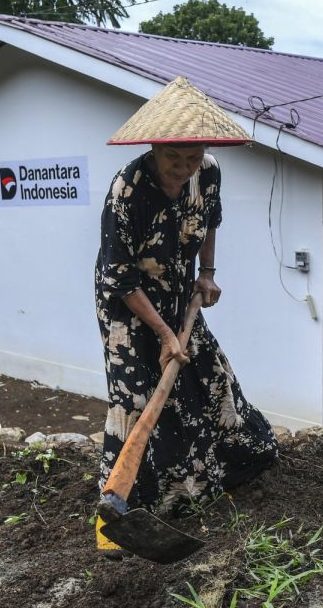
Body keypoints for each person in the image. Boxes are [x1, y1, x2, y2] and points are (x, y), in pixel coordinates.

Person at [94, 77, 278, 544]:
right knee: (137, 396)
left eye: (191, 158)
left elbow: (210, 219)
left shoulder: (209, 171)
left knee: (205, 375)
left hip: (178, 291)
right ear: (154, 148)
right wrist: (164, 335)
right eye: (173, 159)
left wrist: (207, 272)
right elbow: (120, 275)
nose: (183, 168)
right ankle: (115, 513)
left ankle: (202, 481)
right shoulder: (126, 192)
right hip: (127, 304)